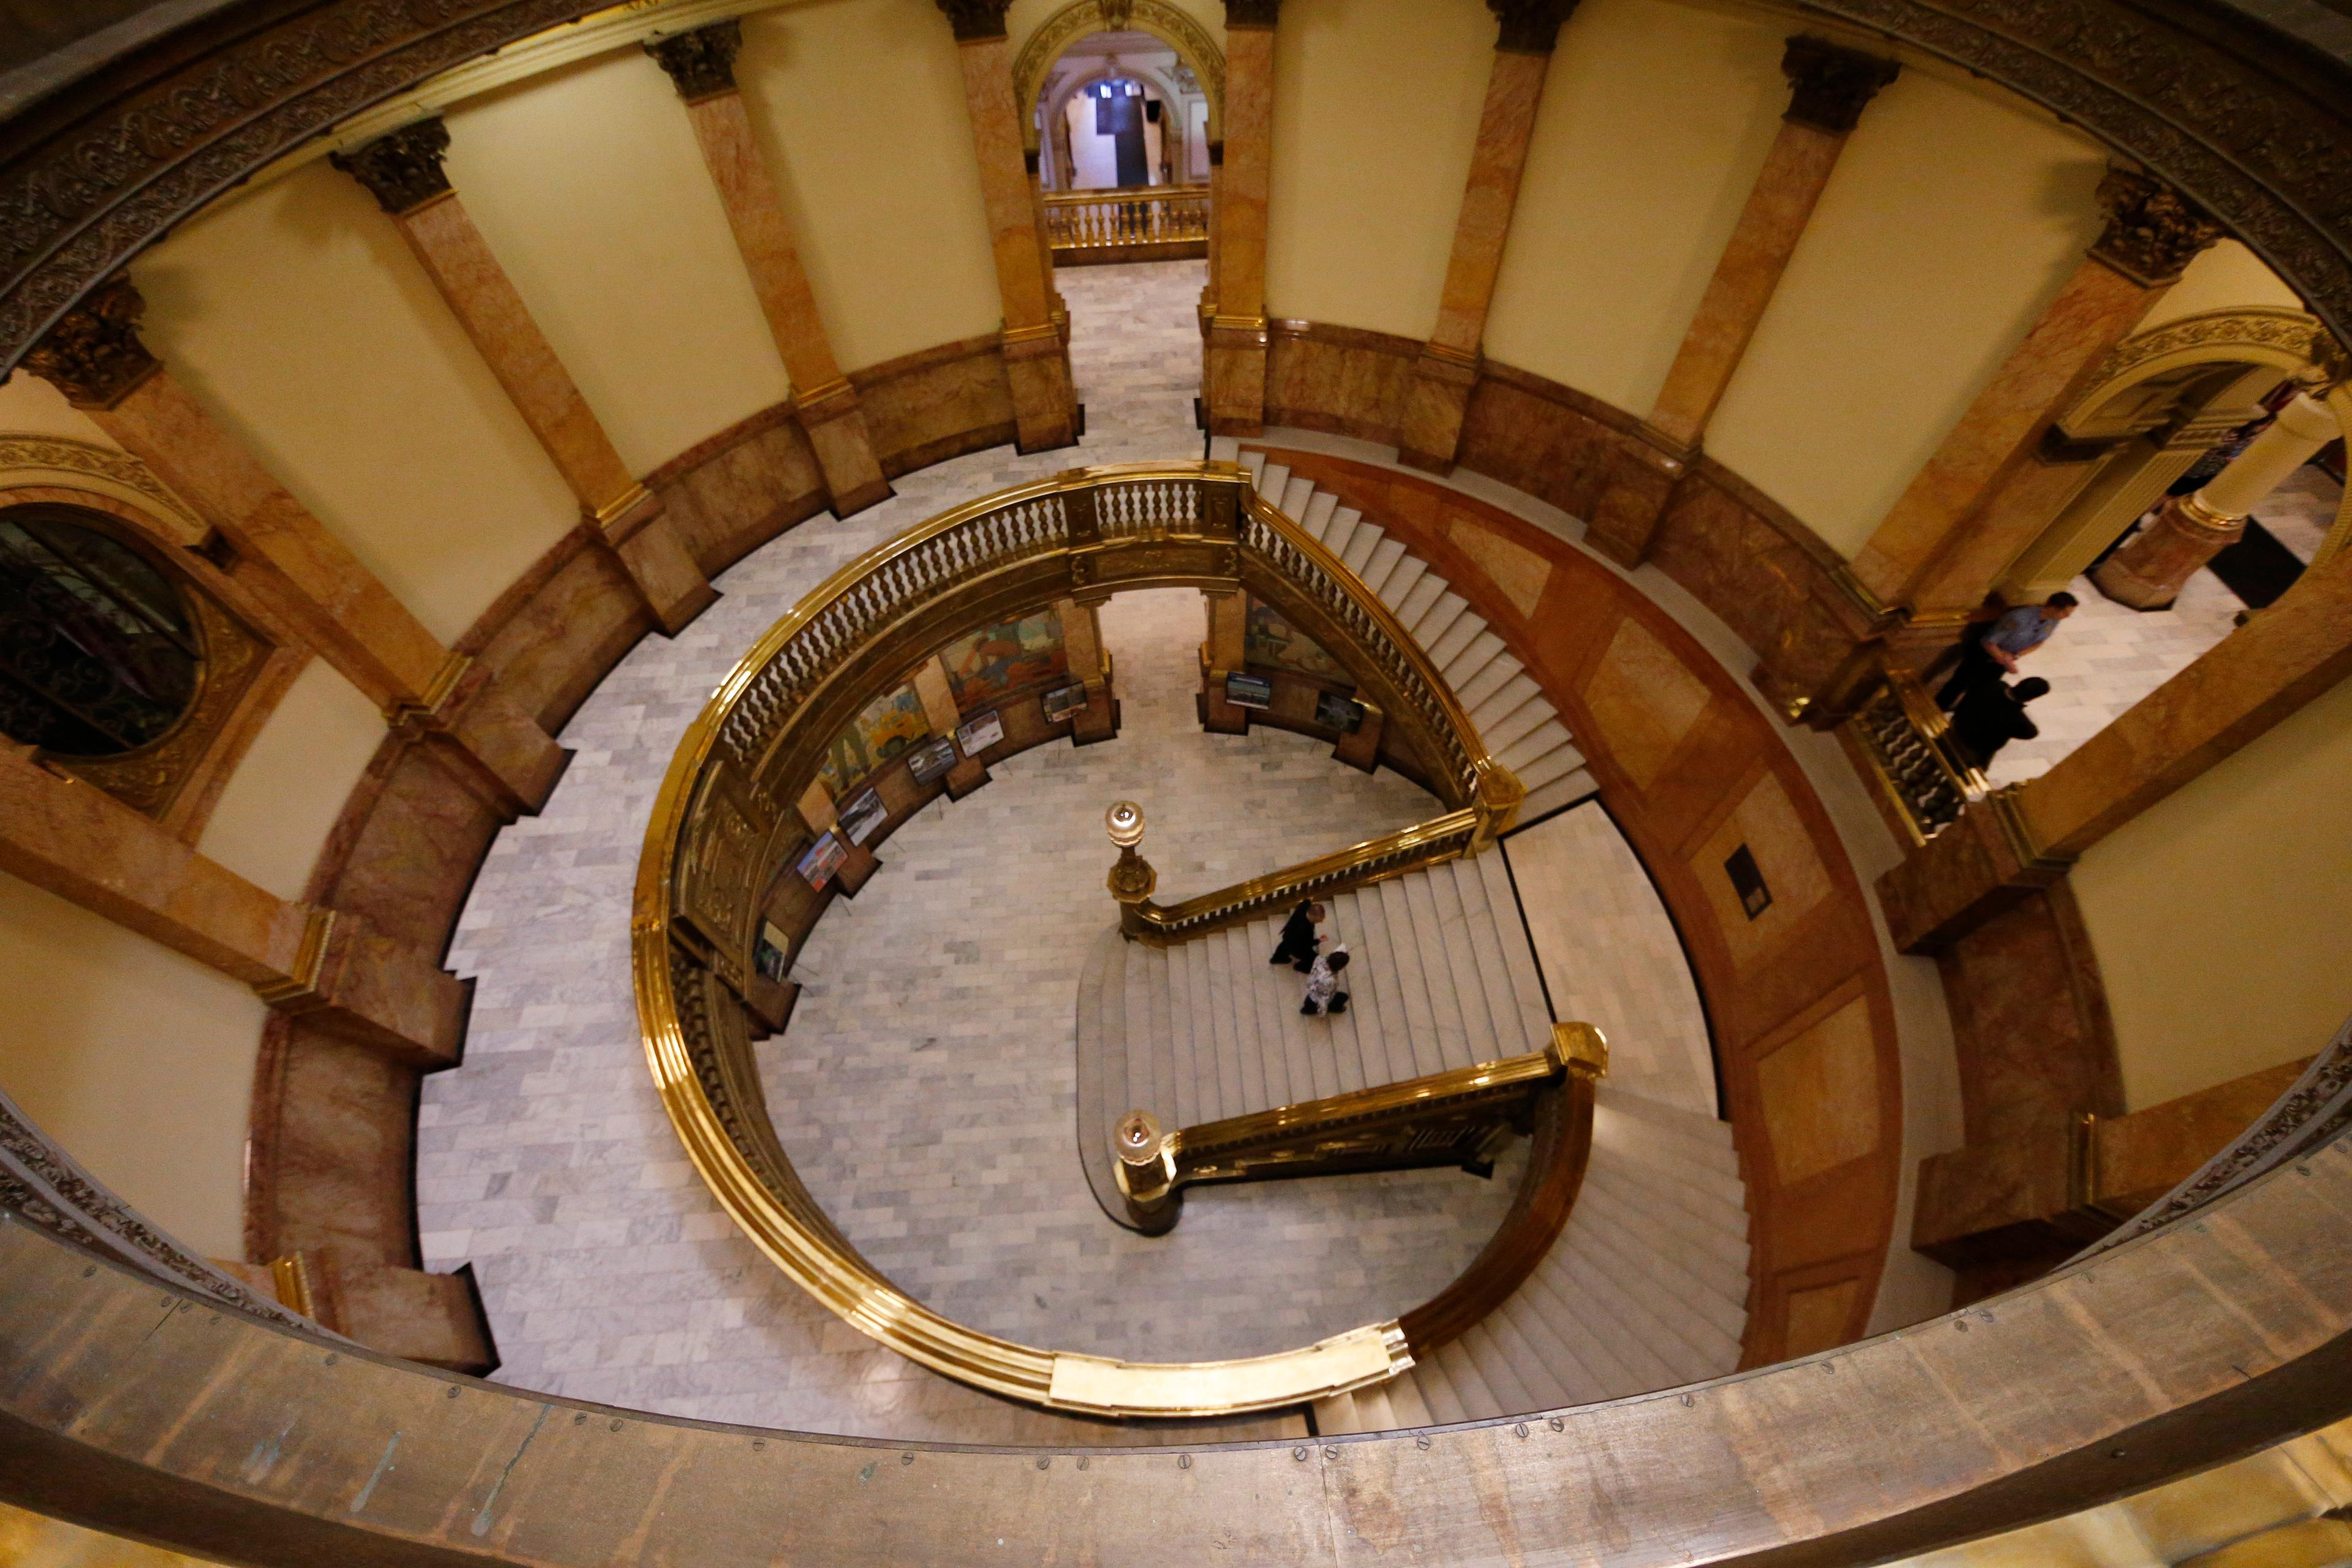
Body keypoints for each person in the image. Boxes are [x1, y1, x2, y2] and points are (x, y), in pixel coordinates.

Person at [1936, 593, 2076, 709]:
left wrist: (2016, 655)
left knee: (1982, 692)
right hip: (1983, 655)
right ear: (2054, 608)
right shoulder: (2019, 618)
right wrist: (2005, 660)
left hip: (2003, 660)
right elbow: (1989, 642)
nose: (2067, 616)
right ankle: (1938, 710)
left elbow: (2039, 642)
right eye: (2066, 612)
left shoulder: (2053, 622)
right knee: (1958, 684)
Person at [1947, 676, 2047, 770]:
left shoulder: (1993, 684)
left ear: (2019, 683)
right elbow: (2032, 733)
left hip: (1956, 725)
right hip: (1971, 748)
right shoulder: (2017, 719)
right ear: (2031, 698)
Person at [1268, 899, 1326, 973]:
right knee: (1315, 959)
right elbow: (1306, 944)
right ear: (1312, 917)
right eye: (1318, 920)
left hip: (1288, 934)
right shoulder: (1304, 929)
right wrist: (1319, 940)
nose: (1321, 922)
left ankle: (1277, 958)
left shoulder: (1305, 904)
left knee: (1284, 946)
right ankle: (1300, 967)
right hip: (1296, 946)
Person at [1302, 947, 1351, 1017]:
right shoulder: (1329, 981)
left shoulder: (1320, 959)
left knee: (1310, 1001)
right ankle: (1334, 1009)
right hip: (1317, 996)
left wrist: (1338, 955)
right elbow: (1323, 997)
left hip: (1312, 986)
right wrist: (1322, 1012)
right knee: (1344, 997)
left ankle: (1307, 1009)